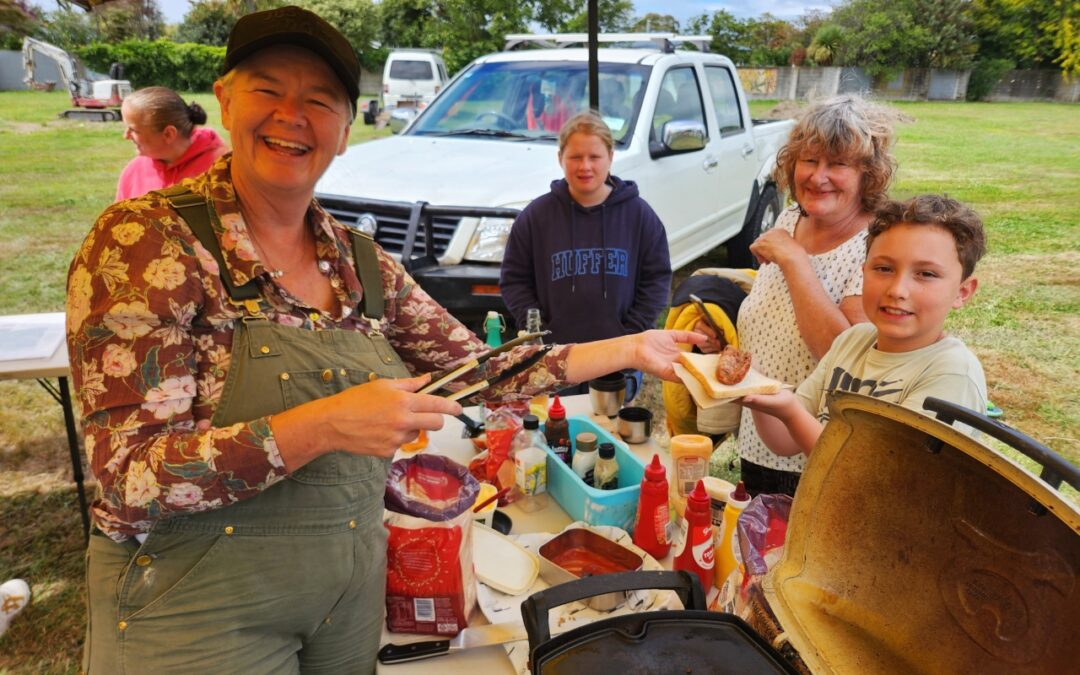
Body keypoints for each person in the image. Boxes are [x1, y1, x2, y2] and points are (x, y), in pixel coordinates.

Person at [66, 7, 703, 673]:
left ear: (345, 130)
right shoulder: (147, 241)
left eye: (319, 100)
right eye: (269, 89)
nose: (292, 114)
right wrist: (324, 423)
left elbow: (479, 371)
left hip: (344, 598)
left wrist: (630, 349)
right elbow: (129, 474)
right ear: (224, 98)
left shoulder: (359, 262)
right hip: (194, 607)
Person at [695, 94, 899, 496]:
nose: (818, 176)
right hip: (760, 439)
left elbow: (845, 357)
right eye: (810, 160)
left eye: (838, 164)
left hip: (810, 457)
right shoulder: (793, 217)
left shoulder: (875, 247)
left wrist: (795, 260)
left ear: (868, 174)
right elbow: (777, 317)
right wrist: (725, 340)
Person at [740, 195, 987, 455]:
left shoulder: (952, 374)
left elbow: (871, 478)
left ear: (962, 292)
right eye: (883, 268)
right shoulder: (853, 341)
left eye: (926, 274)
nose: (898, 290)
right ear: (863, 271)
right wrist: (755, 385)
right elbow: (784, 443)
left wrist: (791, 412)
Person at [500, 111, 672, 396]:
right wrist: (537, 327)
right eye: (575, 157)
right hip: (555, 359)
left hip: (618, 359)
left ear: (610, 157)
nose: (585, 166)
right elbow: (514, 280)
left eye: (594, 157)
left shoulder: (639, 215)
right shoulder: (536, 216)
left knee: (608, 434)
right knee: (555, 434)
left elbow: (656, 279)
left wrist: (632, 333)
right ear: (560, 159)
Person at [115, 86, 228, 201]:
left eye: (133, 130)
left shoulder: (222, 170)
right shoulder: (133, 172)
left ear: (168, 134)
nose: (126, 136)